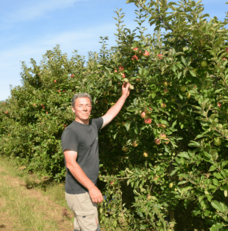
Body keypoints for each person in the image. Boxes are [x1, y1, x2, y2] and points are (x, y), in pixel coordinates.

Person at [61, 82, 131, 231]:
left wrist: (123, 96)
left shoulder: (93, 125)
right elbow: (71, 164)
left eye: (88, 105)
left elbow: (110, 115)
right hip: (80, 191)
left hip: (84, 190)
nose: (85, 108)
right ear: (73, 109)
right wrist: (92, 188)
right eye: (80, 106)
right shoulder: (71, 132)